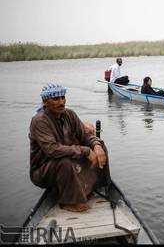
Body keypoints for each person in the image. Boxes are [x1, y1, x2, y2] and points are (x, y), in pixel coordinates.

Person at [29, 84, 109, 213]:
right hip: (43, 170)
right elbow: (53, 150)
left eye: (63, 97)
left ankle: (95, 187)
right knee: (65, 161)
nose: (61, 102)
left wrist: (96, 145)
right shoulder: (39, 121)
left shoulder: (69, 114)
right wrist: (85, 151)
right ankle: (70, 202)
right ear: (45, 102)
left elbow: (85, 135)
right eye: (56, 99)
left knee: (100, 147)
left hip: (65, 158)